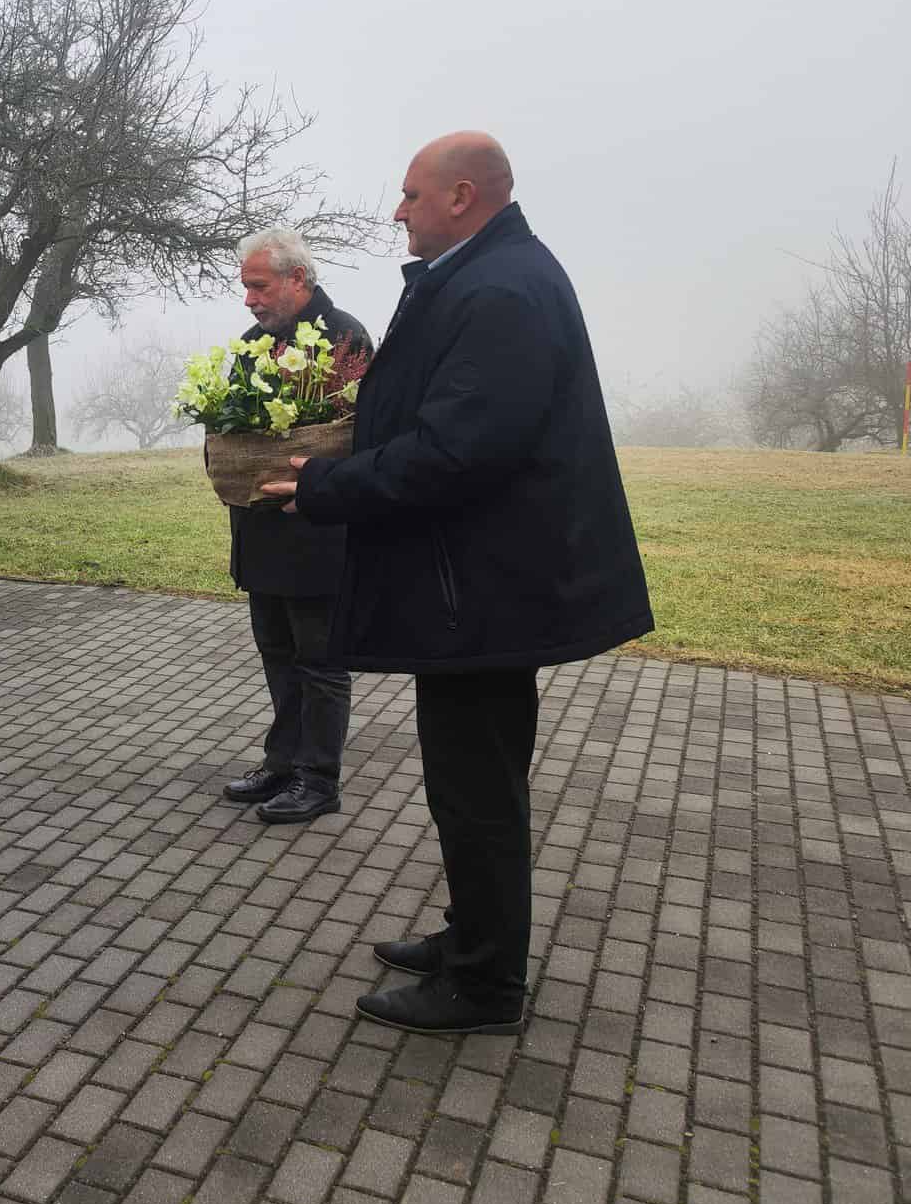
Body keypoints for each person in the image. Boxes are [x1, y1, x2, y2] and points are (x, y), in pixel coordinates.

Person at [261, 132, 652, 1035]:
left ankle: (485, 986)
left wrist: (325, 486)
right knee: (468, 784)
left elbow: (457, 451)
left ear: (462, 196)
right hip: (473, 589)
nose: (397, 211)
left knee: (477, 792)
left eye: (409, 194)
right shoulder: (484, 275)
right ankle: (472, 936)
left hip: (485, 595)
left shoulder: (503, 289)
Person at [217, 229, 371, 824]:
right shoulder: (252, 343)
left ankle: (318, 778)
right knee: (277, 653)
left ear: (298, 278)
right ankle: (282, 762)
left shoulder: (345, 338)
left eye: (258, 286)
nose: (250, 300)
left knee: (320, 662)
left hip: (317, 534)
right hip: (261, 532)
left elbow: (358, 435)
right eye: (246, 288)